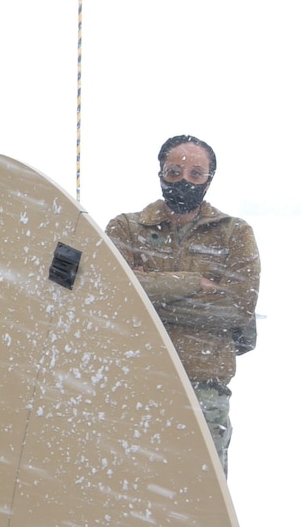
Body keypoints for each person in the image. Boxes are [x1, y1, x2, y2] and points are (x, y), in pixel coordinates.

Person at [105, 135, 258, 475]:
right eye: (174, 171)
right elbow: (112, 296)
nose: (183, 180)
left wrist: (147, 292)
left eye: (195, 173)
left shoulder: (234, 234)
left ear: (209, 179)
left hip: (204, 391)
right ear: (160, 172)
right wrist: (191, 283)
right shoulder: (127, 228)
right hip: (131, 383)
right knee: (124, 490)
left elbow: (238, 308)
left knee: (199, 502)